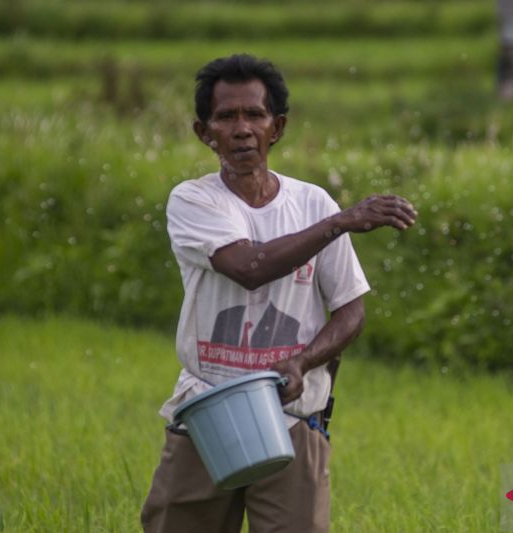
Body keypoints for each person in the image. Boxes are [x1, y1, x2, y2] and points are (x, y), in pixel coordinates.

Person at [140, 53, 417, 533]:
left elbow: (351, 312)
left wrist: (302, 363)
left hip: (292, 416)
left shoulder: (312, 202)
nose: (242, 129)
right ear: (204, 133)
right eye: (226, 117)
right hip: (208, 411)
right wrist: (340, 222)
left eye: (255, 115)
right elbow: (249, 267)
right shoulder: (194, 200)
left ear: (278, 127)